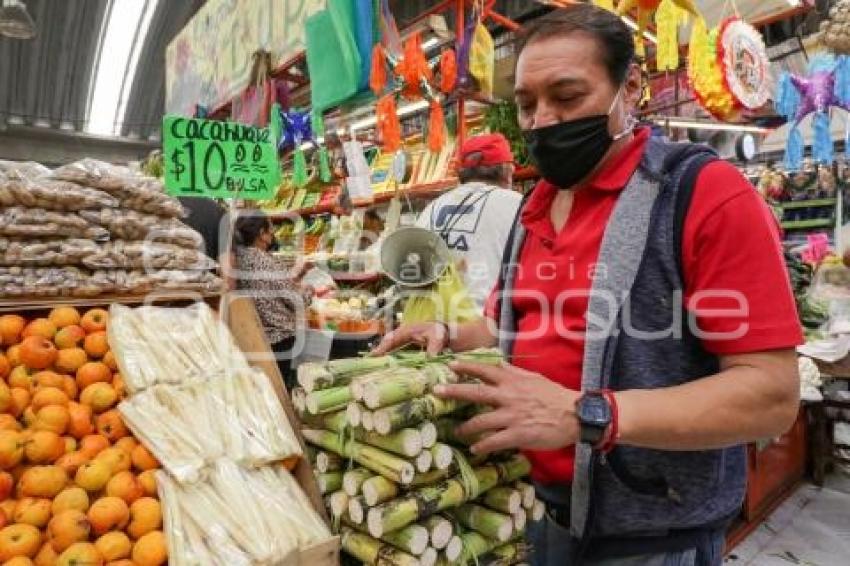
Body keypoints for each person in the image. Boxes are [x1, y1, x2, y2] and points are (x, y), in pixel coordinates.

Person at [375, 5, 801, 565]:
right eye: (526, 105)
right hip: (531, 511)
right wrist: (451, 334)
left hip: (651, 539)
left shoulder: (703, 196)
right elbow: (515, 326)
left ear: (631, 89)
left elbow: (771, 394)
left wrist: (588, 414)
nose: (543, 121)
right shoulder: (533, 209)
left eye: (568, 97)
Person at [415, 133, 522, 312]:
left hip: (429, 324)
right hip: (485, 328)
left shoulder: (431, 208)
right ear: (506, 171)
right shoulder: (518, 205)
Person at [232, 211, 311, 389]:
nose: (273, 235)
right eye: (270, 230)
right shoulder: (264, 260)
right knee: (283, 388)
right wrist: (308, 292)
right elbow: (294, 300)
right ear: (262, 234)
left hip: (254, 336)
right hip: (280, 338)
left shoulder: (238, 257)